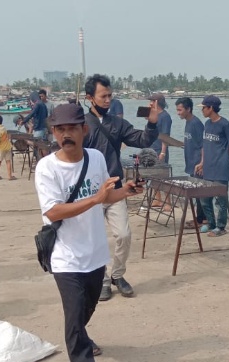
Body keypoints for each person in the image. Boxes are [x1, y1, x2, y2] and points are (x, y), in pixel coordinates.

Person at [34, 103, 143, 362]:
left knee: (88, 307)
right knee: (73, 315)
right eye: (59, 129)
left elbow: (106, 197)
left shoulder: (95, 159)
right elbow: (53, 210)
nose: (65, 134)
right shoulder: (47, 168)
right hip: (65, 256)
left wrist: (127, 191)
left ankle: (81, 337)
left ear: (84, 130)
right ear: (53, 132)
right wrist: (96, 198)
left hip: (95, 253)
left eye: (71, 128)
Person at [82, 73, 159, 301]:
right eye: (103, 96)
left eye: (110, 96)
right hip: (90, 192)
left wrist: (152, 123)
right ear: (90, 98)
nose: (107, 100)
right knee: (95, 240)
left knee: (123, 235)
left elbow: (143, 140)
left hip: (116, 189)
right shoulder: (82, 125)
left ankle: (117, 274)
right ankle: (103, 279)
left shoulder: (117, 124)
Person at [195, 95, 229, 237]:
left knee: (220, 200)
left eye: (204, 108)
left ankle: (220, 227)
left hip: (221, 169)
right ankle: (211, 224)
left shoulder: (225, 124)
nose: (202, 111)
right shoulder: (207, 124)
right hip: (208, 168)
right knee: (204, 199)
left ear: (211, 108)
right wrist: (202, 162)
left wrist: (224, 158)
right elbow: (204, 146)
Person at [175, 97, 206, 229]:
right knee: (195, 191)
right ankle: (200, 218)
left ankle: (201, 219)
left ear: (188, 109)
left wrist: (202, 163)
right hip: (190, 162)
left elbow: (203, 144)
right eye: (177, 110)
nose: (178, 113)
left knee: (199, 192)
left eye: (180, 110)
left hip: (197, 163)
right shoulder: (187, 123)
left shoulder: (196, 123)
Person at [147, 93, 172, 207]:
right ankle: (158, 199)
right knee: (153, 175)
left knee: (163, 176)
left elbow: (165, 136)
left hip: (159, 148)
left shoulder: (165, 116)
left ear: (157, 102)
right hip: (152, 147)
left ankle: (168, 202)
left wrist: (163, 151)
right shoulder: (155, 114)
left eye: (152, 101)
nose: (150, 103)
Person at [0, 115, 15, 181]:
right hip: (8, 146)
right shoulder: (3, 128)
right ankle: (9, 176)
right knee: (8, 161)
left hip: (1, 147)